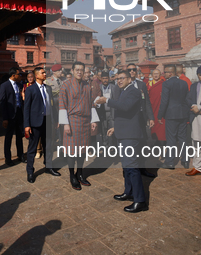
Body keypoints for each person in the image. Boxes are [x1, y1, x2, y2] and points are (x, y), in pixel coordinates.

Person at [95, 70, 147, 213]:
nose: (119, 81)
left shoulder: (134, 92)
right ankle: (128, 192)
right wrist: (115, 128)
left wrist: (107, 100)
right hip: (123, 133)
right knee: (126, 166)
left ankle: (140, 200)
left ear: (130, 79)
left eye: (122, 78)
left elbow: (125, 107)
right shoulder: (124, 91)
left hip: (131, 135)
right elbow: (124, 115)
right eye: (117, 79)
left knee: (132, 167)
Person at [59, 61, 99, 190]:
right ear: (72, 70)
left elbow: (91, 103)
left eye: (82, 70)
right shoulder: (65, 85)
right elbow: (62, 106)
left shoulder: (87, 85)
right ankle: (72, 176)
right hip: (72, 121)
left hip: (85, 121)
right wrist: (65, 124)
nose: (79, 72)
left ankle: (80, 174)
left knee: (83, 150)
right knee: (72, 152)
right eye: (77, 70)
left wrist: (93, 120)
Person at [24, 67, 61, 183]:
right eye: (42, 73)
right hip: (35, 123)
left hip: (48, 120)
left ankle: (49, 166)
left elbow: (52, 105)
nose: (45, 74)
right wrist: (27, 125)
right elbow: (26, 109)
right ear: (36, 75)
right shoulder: (30, 89)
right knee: (32, 148)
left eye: (45, 72)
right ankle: (30, 171)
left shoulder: (48, 88)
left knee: (48, 145)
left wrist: (55, 120)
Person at [157, 65, 190, 169]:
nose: (164, 74)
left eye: (165, 72)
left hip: (171, 114)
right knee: (183, 138)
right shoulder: (184, 83)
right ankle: (185, 161)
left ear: (170, 73)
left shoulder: (167, 83)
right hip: (183, 114)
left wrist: (160, 115)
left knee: (171, 139)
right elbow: (187, 99)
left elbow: (164, 101)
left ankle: (170, 162)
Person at [0, 67, 25, 167]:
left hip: (19, 113)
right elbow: (3, 102)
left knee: (19, 135)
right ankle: (8, 158)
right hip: (10, 115)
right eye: (19, 74)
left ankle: (21, 155)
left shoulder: (19, 85)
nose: (21, 76)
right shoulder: (4, 86)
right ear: (13, 75)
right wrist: (5, 118)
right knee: (9, 137)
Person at [148, 69, 166, 150]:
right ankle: (155, 140)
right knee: (154, 123)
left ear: (160, 75)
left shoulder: (163, 83)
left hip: (160, 106)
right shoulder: (149, 83)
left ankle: (163, 140)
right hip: (153, 106)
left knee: (162, 124)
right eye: (154, 74)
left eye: (157, 74)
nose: (155, 75)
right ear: (152, 75)